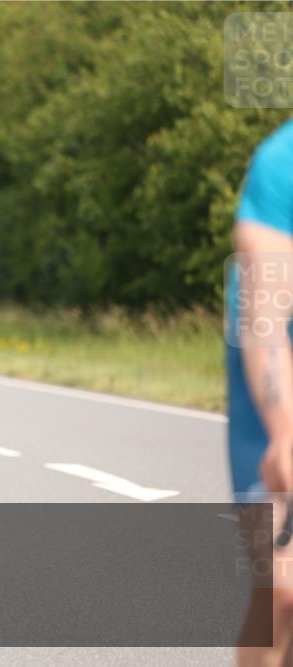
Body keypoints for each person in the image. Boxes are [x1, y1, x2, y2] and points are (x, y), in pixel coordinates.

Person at [227, 117, 293, 666]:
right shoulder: (282, 162)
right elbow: (265, 318)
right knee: (285, 587)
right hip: (275, 367)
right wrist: (287, 434)